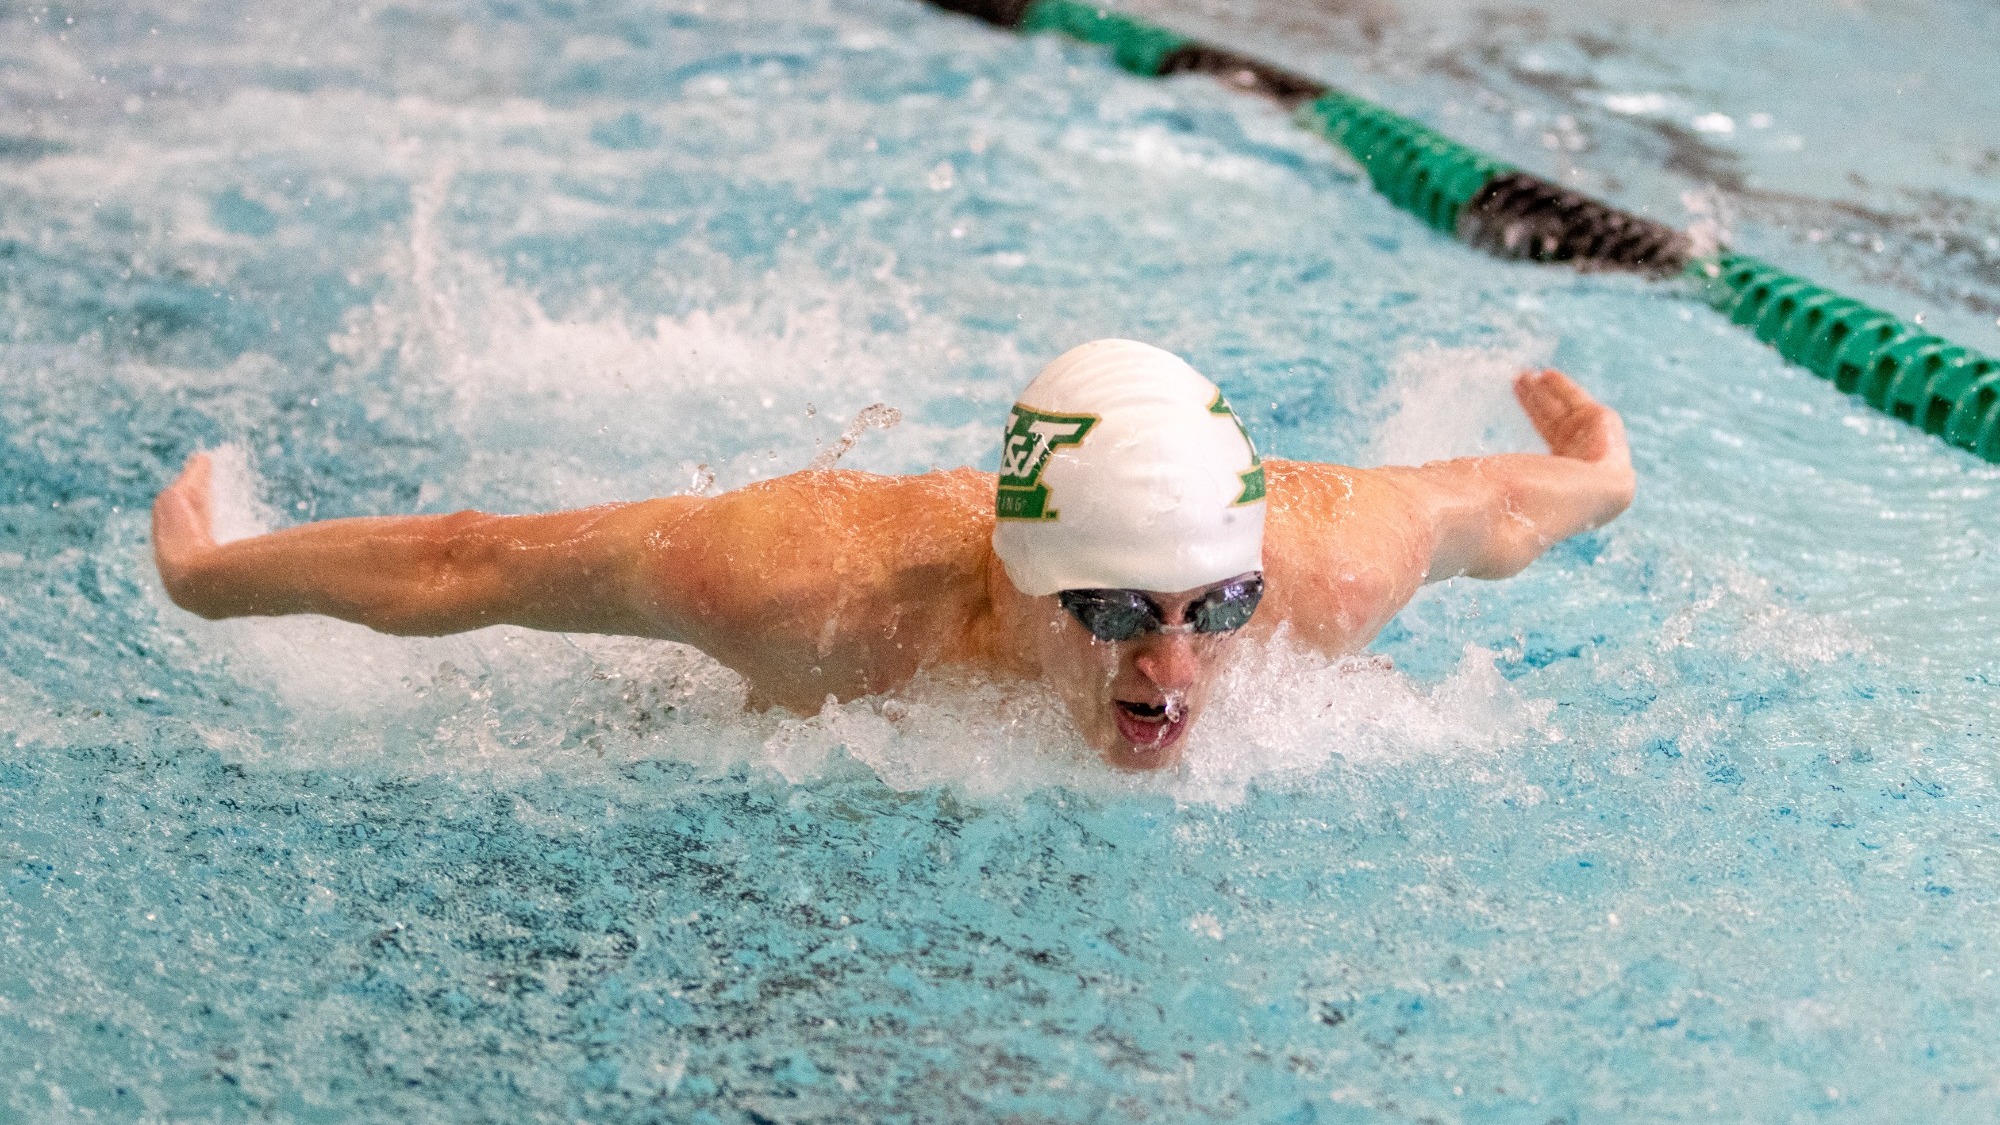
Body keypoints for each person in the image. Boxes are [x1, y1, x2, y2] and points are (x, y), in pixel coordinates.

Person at [153, 339, 1635, 770]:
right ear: (1023, 573)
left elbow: (1490, 510)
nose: (1174, 669)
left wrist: (1601, 470)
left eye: (1211, 608)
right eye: (1118, 611)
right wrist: (211, 575)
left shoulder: (1322, 572)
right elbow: (474, 566)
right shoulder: (810, 588)